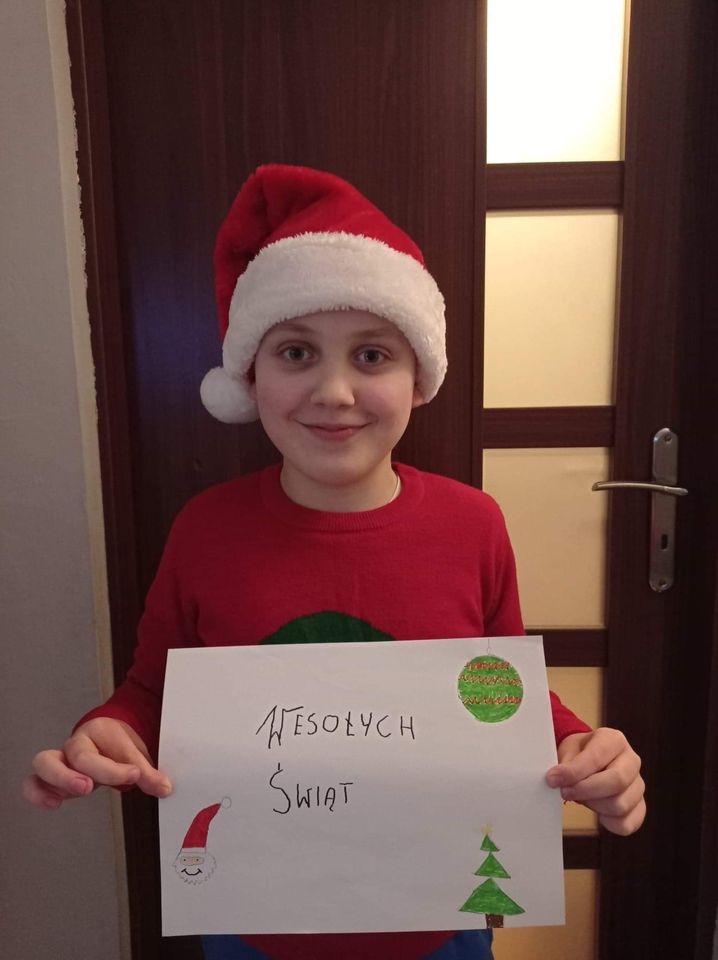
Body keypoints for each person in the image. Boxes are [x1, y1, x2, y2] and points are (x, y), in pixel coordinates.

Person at [24, 165, 646, 960]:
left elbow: (498, 693)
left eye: (373, 355)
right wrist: (107, 733)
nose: (336, 392)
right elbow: (152, 693)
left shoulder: (472, 525)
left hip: (439, 923)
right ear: (250, 375)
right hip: (254, 925)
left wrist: (582, 750)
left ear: (419, 378)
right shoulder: (206, 530)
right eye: (297, 351)